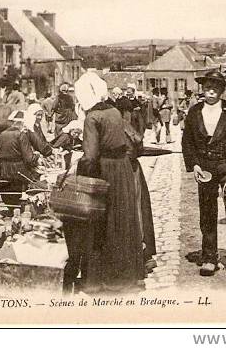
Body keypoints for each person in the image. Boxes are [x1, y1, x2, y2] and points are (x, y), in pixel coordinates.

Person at [182, 71, 226, 287]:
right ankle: (209, 257)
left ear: (222, 89)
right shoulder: (194, 112)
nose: (211, 90)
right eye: (207, 86)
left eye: (216, 86)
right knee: (207, 213)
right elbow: (187, 142)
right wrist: (193, 164)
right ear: (202, 88)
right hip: (205, 170)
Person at [75, 75, 144, 293]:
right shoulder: (113, 111)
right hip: (122, 168)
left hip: (105, 170)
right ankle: (126, 275)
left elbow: (91, 155)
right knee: (122, 219)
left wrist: (78, 171)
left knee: (102, 224)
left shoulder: (92, 118)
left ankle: (102, 279)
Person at [117, 98, 157, 274]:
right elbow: (139, 143)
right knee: (138, 208)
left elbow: (136, 144)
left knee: (133, 209)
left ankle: (139, 254)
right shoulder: (125, 123)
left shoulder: (121, 123)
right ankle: (143, 254)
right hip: (132, 167)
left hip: (126, 169)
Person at [0, 110, 44, 183]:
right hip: (19, 172)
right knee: (42, 176)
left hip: (3, 170)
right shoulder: (21, 135)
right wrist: (37, 155)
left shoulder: (2, 134)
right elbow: (29, 159)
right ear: (22, 123)